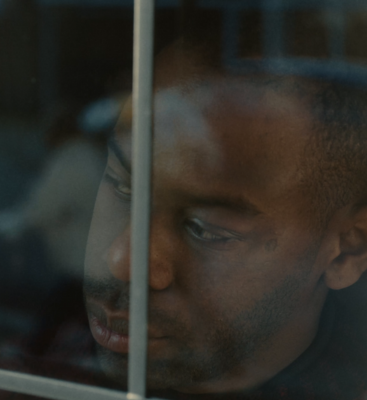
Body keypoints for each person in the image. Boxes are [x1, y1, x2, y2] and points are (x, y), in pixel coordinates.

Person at [83, 41, 367, 399]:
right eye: (123, 189)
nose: (120, 260)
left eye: (206, 230)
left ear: (346, 253)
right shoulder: (37, 355)